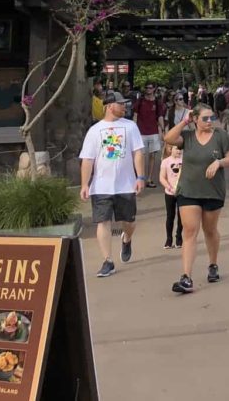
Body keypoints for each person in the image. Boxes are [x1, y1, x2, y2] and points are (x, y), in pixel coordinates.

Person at [163, 103, 229, 294]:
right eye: (205, 118)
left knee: (210, 230)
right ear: (195, 119)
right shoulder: (187, 137)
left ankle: (213, 264)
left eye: (212, 117)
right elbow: (168, 138)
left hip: (212, 191)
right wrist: (184, 121)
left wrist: (219, 162)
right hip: (188, 190)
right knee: (189, 231)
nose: (210, 121)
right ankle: (186, 277)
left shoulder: (221, 136)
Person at [78, 91, 146, 278]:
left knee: (129, 222)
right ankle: (108, 261)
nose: (124, 107)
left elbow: (138, 153)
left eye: (125, 104)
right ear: (109, 106)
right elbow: (87, 159)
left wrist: (140, 177)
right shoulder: (94, 131)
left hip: (126, 184)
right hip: (101, 186)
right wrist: (84, 184)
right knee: (103, 222)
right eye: (120, 104)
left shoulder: (130, 126)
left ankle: (126, 238)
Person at [135, 85, 166, 187]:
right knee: (141, 156)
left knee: (152, 156)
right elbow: (135, 115)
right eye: (147, 87)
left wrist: (163, 129)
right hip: (141, 132)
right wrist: (134, 129)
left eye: (150, 87)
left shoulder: (157, 102)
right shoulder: (140, 101)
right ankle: (141, 177)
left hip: (153, 132)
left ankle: (149, 179)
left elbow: (160, 116)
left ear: (154, 89)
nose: (148, 89)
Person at [159, 142, 184, 249]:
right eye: (176, 149)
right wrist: (169, 187)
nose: (179, 151)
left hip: (182, 193)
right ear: (170, 149)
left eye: (180, 149)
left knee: (181, 216)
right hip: (169, 193)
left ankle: (179, 238)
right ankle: (169, 239)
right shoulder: (166, 162)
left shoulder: (185, 161)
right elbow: (162, 178)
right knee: (170, 216)